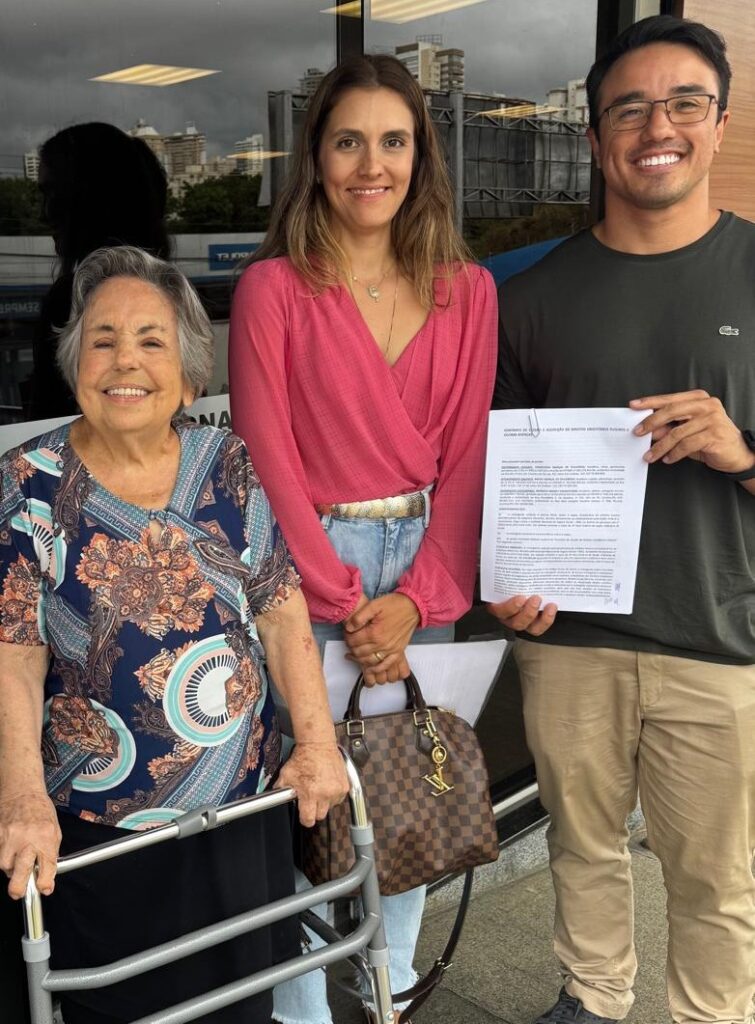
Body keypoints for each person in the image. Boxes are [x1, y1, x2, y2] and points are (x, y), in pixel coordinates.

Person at [0, 245, 348, 1024]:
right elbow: (12, 657)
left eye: (150, 340)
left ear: (188, 375)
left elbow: (280, 608)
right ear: (75, 365)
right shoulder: (28, 485)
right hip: (103, 833)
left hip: (238, 814)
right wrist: (20, 798)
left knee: (239, 1005)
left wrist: (317, 745)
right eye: (103, 340)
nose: (125, 360)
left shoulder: (225, 461)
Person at [490, 14, 754, 1024]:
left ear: (717, 124)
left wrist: (739, 451)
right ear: (597, 135)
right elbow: (498, 475)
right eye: (629, 108)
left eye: (683, 103)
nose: (657, 127)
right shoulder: (530, 297)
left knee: (714, 878)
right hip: (570, 642)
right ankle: (592, 999)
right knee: (579, 846)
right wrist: (501, 583)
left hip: (716, 636)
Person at [229, 55, 497, 1024]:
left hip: (422, 568)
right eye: (349, 141)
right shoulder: (271, 290)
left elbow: (466, 459)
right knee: (308, 808)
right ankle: (301, 1014)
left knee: (407, 802)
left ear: (421, 156)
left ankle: (388, 997)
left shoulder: (467, 291)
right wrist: (344, 601)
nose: (371, 164)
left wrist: (417, 600)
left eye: (393, 141)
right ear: (316, 154)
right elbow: (264, 461)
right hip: (305, 576)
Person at [26, 122, 170, 420]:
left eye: (53, 193)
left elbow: (47, 420)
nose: (43, 213)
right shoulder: (174, 294)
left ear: (87, 200)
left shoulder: (72, 301)